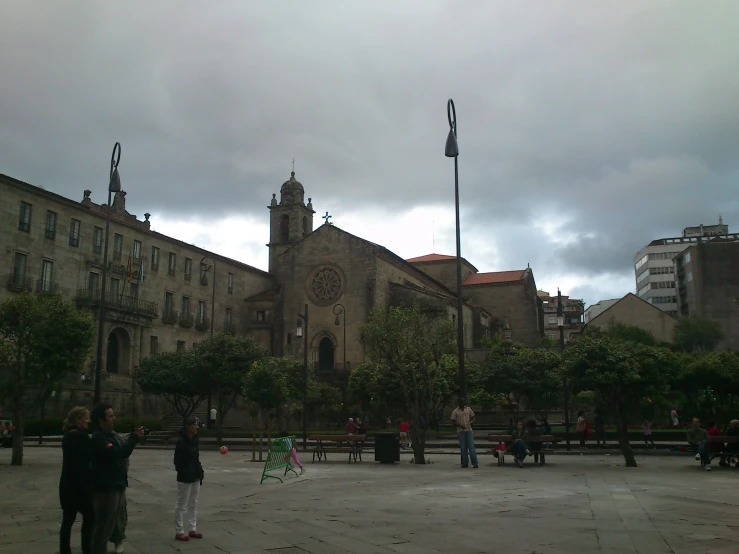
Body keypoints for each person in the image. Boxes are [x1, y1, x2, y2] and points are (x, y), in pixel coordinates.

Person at [90, 403, 143, 554]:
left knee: (114, 520)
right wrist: (134, 439)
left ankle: (115, 541)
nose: (114, 419)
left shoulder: (111, 436)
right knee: (104, 527)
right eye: (110, 416)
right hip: (107, 487)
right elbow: (117, 453)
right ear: (101, 420)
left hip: (117, 484)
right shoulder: (99, 438)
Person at [59, 406, 94, 554]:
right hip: (81, 485)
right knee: (90, 517)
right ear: (78, 419)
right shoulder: (82, 436)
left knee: (67, 521)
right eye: (86, 418)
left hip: (67, 483)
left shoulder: (67, 435)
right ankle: (87, 548)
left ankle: (65, 550)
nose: (88, 421)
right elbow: (89, 458)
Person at [174, 415, 204, 542]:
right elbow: (177, 461)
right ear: (188, 426)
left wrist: (200, 471)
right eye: (194, 425)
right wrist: (185, 473)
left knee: (193, 503)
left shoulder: (195, 440)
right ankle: (179, 531)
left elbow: (196, 458)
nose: (197, 427)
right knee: (182, 504)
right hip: (185, 477)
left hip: (195, 475)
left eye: (197, 424)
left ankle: (192, 528)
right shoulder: (181, 442)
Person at [451, 400, 478, 469]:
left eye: (463, 402)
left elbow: (473, 416)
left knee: (471, 447)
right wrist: (460, 425)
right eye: (461, 402)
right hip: (461, 431)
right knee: (463, 448)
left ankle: (475, 463)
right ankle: (465, 463)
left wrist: (472, 422)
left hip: (469, 430)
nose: (462, 403)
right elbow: (453, 421)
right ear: (459, 403)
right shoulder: (455, 411)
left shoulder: (468, 409)